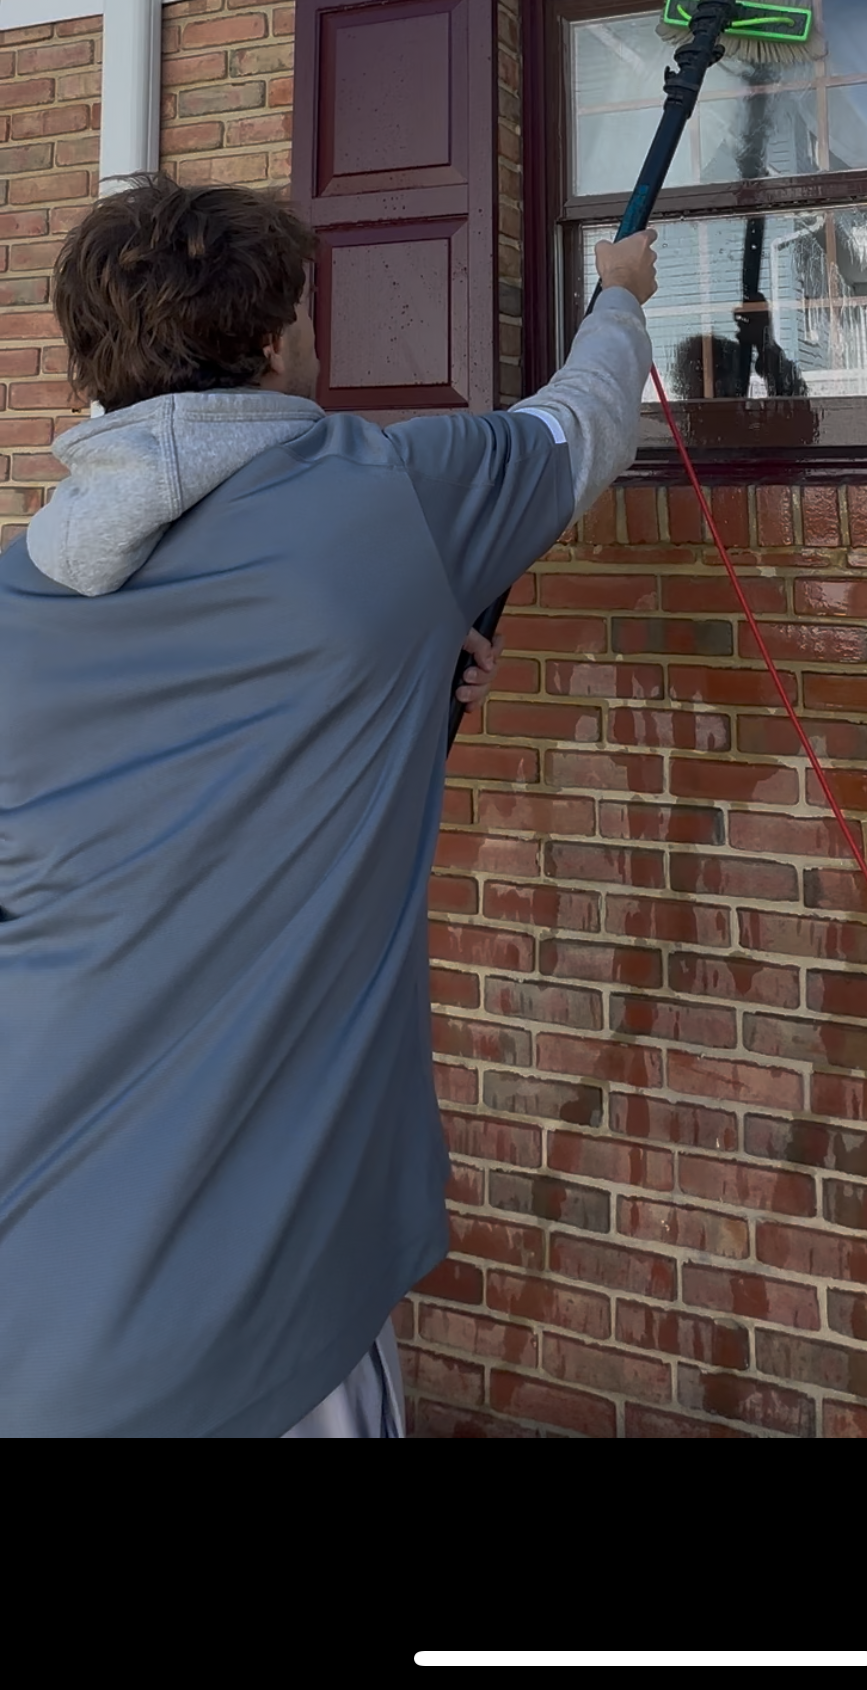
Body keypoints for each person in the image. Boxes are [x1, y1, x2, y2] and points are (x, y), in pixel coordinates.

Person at [0, 174, 656, 1439]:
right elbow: (584, 424)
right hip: (259, 1327)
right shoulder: (392, 494)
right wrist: (617, 301)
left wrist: (399, 680)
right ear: (268, 339)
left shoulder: (14, 603)